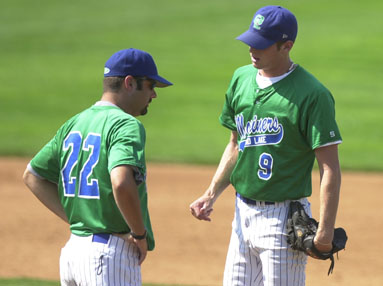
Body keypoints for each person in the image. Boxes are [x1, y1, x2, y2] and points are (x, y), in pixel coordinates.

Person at [190, 5, 342, 286]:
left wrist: (326, 230)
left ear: (286, 46)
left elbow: (329, 167)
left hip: (283, 220)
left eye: (260, 44)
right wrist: (211, 194)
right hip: (241, 215)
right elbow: (236, 143)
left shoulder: (312, 94)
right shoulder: (241, 78)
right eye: (250, 40)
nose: (251, 49)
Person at [23, 48, 172, 286]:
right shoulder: (125, 124)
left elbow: (33, 176)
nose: (153, 94)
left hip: (73, 252)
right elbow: (121, 182)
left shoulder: (74, 122)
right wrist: (139, 234)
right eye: (150, 85)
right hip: (107, 258)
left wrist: (80, 220)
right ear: (129, 83)